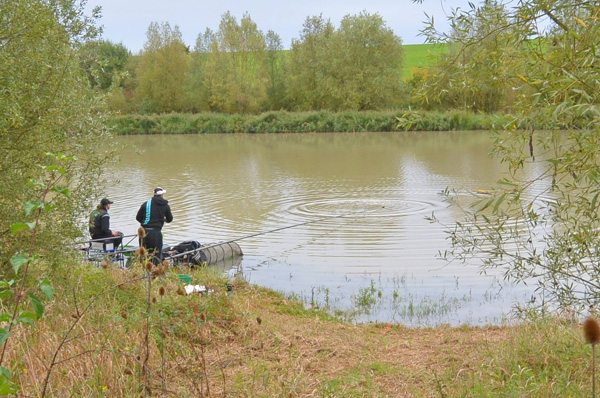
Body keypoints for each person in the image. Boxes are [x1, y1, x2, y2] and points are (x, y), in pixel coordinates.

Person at [136, 187, 173, 264]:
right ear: (162, 195)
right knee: (156, 255)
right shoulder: (165, 205)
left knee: (143, 255)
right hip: (156, 233)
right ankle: (155, 273)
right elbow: (170, 219)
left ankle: (143, 271)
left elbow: (138, 218)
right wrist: (163, 220)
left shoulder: (146, 204)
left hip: (144, 232)